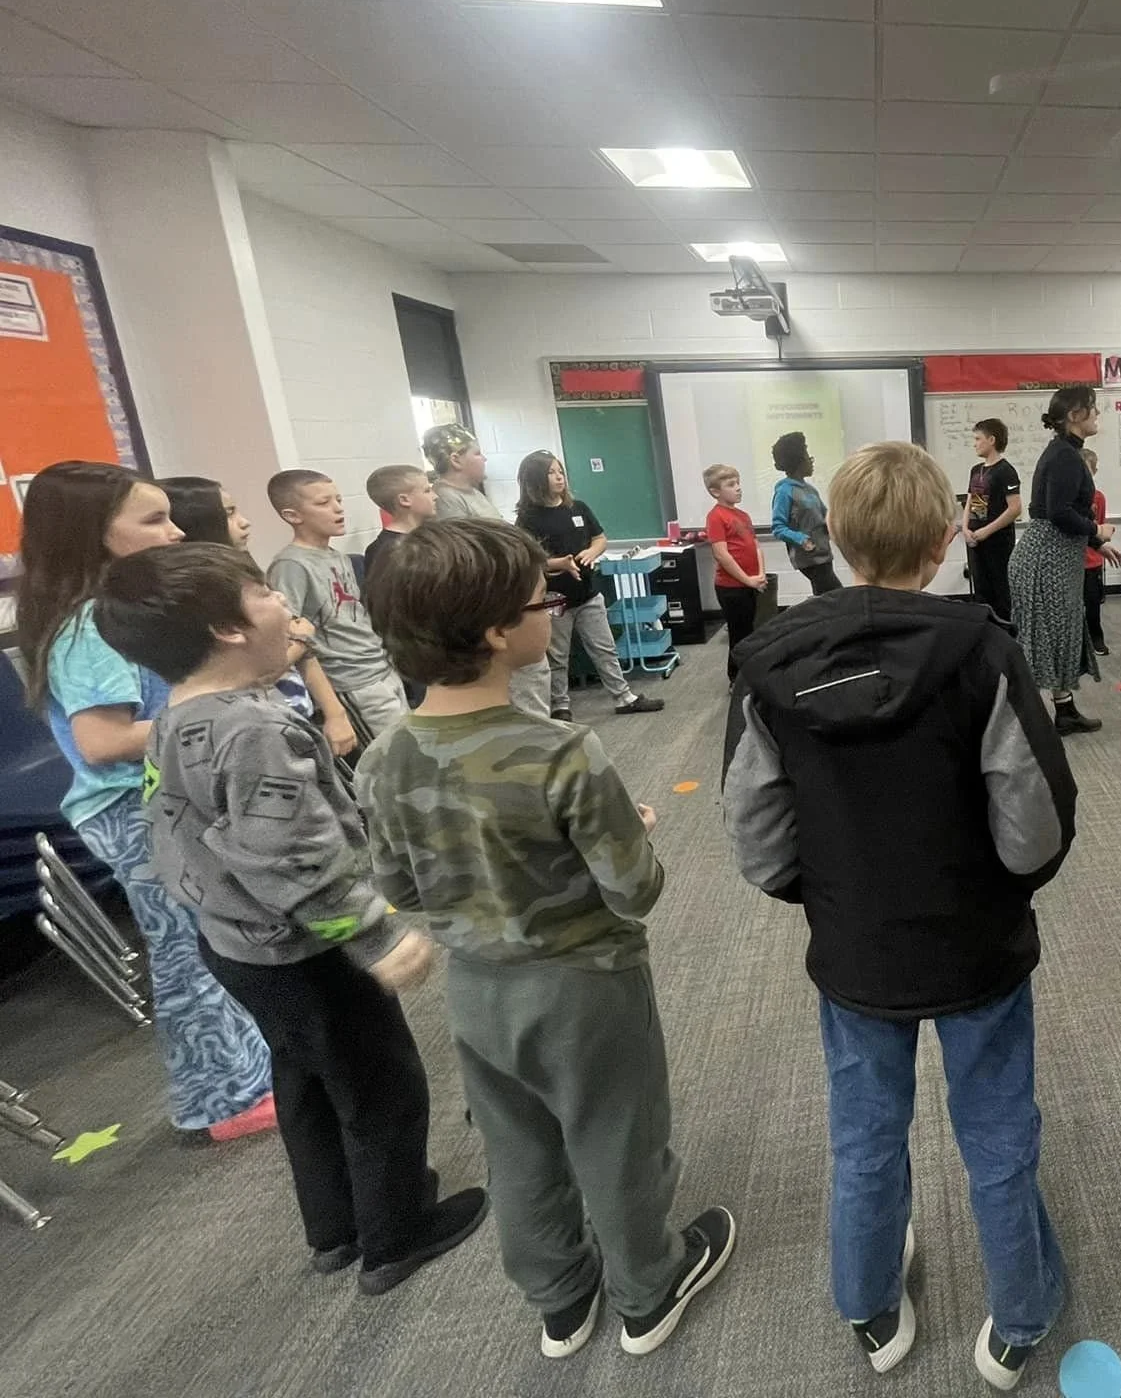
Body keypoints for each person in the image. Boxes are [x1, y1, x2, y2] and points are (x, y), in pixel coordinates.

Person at [722, 442, 1077, 1389]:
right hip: (976, 944)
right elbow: (1032, 826)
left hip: (855, 951)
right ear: (944, 539)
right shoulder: (984, 652)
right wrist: (1002, 889)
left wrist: (827, 896)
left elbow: (756, 836)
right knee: (998, 1136)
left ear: (834, 539)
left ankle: (869, 1302)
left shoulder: (767, 662)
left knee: (864, 1136)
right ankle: (1020, 1316)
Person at [358, 518, 734, 1359]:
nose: (553, 610)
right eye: (544, 601)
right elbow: (634, 891)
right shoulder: (563, 750)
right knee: (616, 1137)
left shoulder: (382, 759)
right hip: (584, 987)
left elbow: (402, 890)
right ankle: (648, 1286)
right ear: (497, 633)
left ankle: (560, 1298)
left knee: (517, 1148)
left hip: (476, 992)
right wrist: (632, 833)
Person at [95, 543, 488, 1294]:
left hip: (235, 943)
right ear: (228, 629)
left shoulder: (176, 718)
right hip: (307, 949)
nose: (286, 607)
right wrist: (373, 934)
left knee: (305, 1079)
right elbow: (292, 857)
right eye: (266, 595)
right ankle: (396, 1236)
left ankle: (336, 1231)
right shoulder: (254, 731)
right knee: (380, 1086)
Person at [16, 462, 274, 1142]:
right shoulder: (90, 627)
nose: (177, 532)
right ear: (95, 535)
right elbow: (102, 741)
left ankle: (246, 1076)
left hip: (165, 799)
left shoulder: (121, 614)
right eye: (154, 520)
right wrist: (215, 710)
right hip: (134, 809)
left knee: (216, 940)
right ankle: (216, 1102)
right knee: (190, 951)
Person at [160, 474, 351, 742]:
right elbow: (246, 673)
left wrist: (335, 712)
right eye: (229, 513)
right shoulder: (197, 594)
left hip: (296, 712)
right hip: (260, 727)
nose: (244, 521)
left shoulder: (241, 570)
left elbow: (299, 642)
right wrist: (300, 641)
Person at [512, 451, 664, 722]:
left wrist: (592, 552)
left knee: (605, 648)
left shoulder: (577, 507)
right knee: (558, 656)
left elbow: (600, 538)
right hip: (554, 598)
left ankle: (624, 697)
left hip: (588, 594)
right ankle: (560, 705)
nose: (559, 477)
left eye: (560, 471)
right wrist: (560, 563)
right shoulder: (527, 518)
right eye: (551, 473)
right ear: (535, 480)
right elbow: (527, 559)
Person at [1009, 388, 1121, 736]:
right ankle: (1016, 720)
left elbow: (1061, 509)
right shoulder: (1065, 456)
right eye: (1092, 409)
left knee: (1057, 636)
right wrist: (1097, 529)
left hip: (1054, 555)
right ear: (1074, 415)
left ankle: (1065, 711)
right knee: (1048, 637)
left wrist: (1094, 542)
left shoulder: (1064, 452)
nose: (1097, 414)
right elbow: (1058, 512)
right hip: (1048, 558)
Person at [265, 469, 410, 743]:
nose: (338, 508)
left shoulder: (337, 557)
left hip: (380, 667)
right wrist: (333, 710)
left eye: (339, 500)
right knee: (391, 755)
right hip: (351, 679)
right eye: (323, 503)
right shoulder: (291, 565)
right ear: (293, 516)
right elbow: (291, 633)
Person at [421, 423, 550, 719]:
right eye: (477, 453)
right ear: (455, 459)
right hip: (500, 611)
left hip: (515, 603)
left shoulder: (473, 494)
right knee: (522, 701)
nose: (484, 459)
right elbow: (473, 562)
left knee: (533, 685)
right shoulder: (448, 499)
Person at [704, 463, 771, 682]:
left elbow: (756, 546)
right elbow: (722, 555)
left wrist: (760, 575)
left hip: (750, 584)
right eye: (731, 484)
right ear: (715, 491)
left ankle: (749, 675)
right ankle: (736, 679)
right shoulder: (716, 516)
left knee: (750, 631)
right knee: (739, 635)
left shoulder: (743, 515)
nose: (738, 488)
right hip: (731, 588)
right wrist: (747, 580)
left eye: (738, 483)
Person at [962, 419, 1022, 623]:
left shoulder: (1006, 471)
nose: (975, 444)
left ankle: (1004, 630)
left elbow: (1015, 509)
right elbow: (972, 502)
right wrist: (966, 528)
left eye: (978, 439)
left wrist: (986, 531)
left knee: (1000, 591)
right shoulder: (976, 470)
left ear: (991, 440)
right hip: (975, 540)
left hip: (997, 542)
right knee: (981, 589)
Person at [771, 431, 842, 595]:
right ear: (797, 461)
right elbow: (778, 528)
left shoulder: (810, 490)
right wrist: (801, 539)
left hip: (824, 553)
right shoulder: (784, 491)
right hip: (809, 558)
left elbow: (826, 518)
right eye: (807, 456)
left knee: (825, 598)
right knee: (835, 596)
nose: (811, 461)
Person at [362, 463, 439, 583]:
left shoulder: (432, 536)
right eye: (427, 491)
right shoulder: (385, 551)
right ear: (404, 500)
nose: (435, 496)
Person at [1080, 449, 1109, 656]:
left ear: (1094, 472)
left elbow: (1099, 527)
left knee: (1092, 603)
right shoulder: (1067, 499)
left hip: (1092, 560)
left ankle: (1096, 637)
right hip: (1072, 561)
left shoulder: (1098, 498)